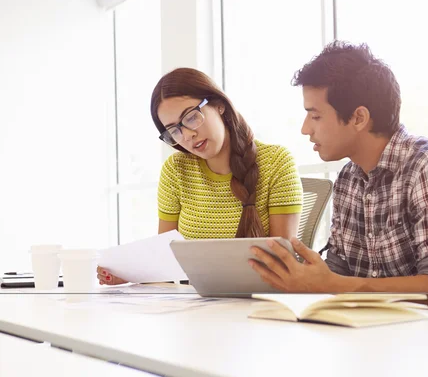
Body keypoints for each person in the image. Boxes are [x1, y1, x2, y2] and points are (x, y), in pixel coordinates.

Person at [248, 41, 428, 315]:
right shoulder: (349, 178)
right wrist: (300, 278)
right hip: (376, 336)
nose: (306, 129)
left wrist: (335, 285)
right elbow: (337, 273)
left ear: (358, 118)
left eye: (315, 116)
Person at [98, 68, 304, 285]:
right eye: (174, 131)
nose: (187, 135)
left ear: (219, 105)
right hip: (192, 303)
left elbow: (283, 263)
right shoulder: (176, 170)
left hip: (254, 301)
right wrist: (132, 274)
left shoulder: (276, 162)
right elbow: (165, 262)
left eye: (191, 117)